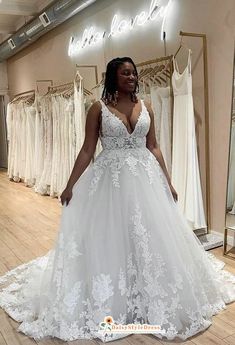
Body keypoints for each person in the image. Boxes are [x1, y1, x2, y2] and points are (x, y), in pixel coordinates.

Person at [0, 57, 235, 343]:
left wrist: (168, 182)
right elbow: (87, 150)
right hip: (109, 183)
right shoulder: (97, 109)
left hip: (145, 181)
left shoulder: (146, 106)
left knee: (150, 236)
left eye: (134, 73)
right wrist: (70, 185)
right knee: (112, 237)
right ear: (113, 77)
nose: (132, 77)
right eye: (125, 73)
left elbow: (154, 147)